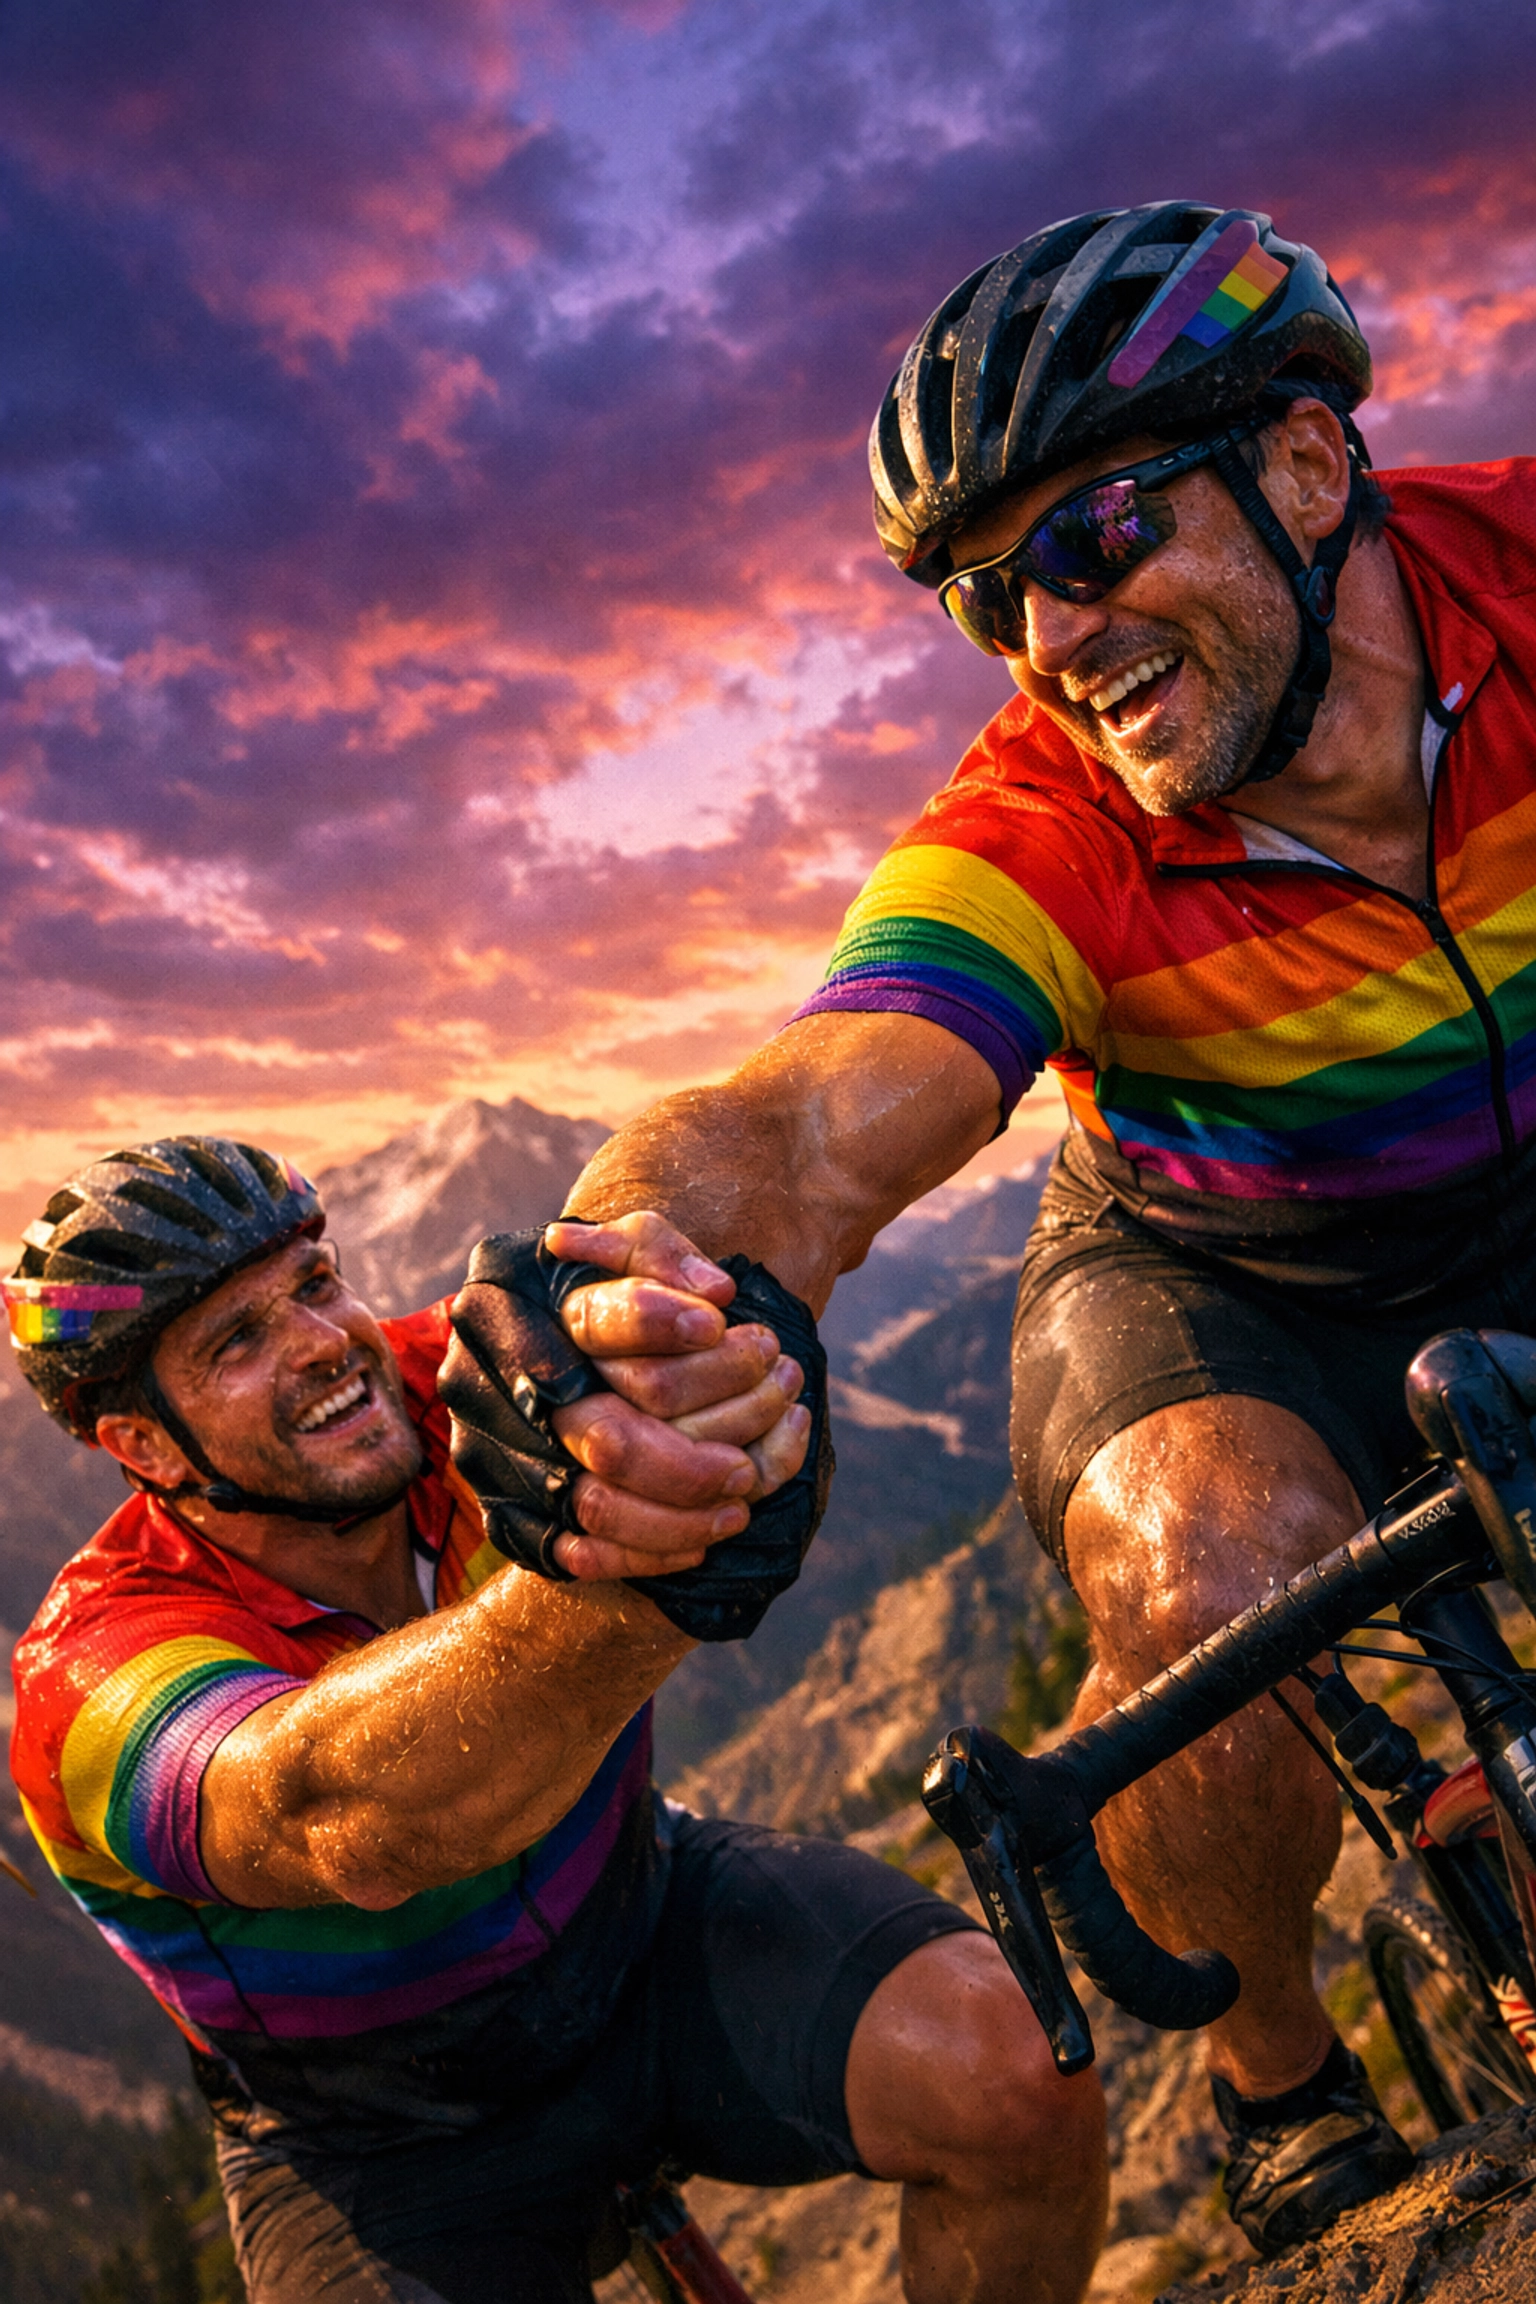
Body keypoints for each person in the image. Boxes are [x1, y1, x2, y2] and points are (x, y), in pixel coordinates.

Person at [494, 202, 1536, 2257]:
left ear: (1311, 470)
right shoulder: (1049, 824)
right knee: (1210, 1567)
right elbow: (800, 1124)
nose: (1052, 640)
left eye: (1092, 541)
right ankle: (1278, 2086)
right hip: (1219, 1269)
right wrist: (595, 1288)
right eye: (991, 601)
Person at [5, 1137, 1106, 2304]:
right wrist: (654, 1571)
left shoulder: (465, 1383)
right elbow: (345, 1812)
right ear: (137, 1443)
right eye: (237, 1340)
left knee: (1018, 2075)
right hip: (380, 2146)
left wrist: (693, 1345)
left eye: (316, 1283)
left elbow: (699, 1247)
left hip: (644, 1922)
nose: (323, 1344)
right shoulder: (92, 1675)